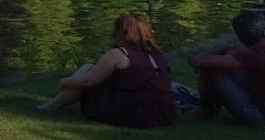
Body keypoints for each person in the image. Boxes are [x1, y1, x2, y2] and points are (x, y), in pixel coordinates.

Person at [36, 13, 176, 127]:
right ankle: (53, 104)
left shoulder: (118, 54)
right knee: (90, 71)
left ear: (120, 32)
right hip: (163, 114)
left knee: (87, 71)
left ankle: (52, 105)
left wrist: (64, 81)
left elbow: (87, 81)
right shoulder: (158, 55)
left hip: (135, 114)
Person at [192, 11, 265, 126]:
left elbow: (199, 61)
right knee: (229, 69)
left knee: (213, 70)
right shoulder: (255, 52)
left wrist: (217, 53)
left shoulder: (253, 53)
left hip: (258, 117)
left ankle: (206, 111)